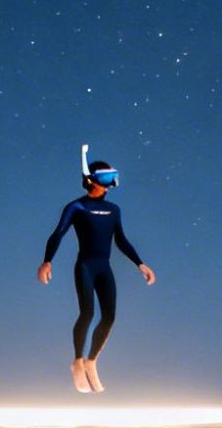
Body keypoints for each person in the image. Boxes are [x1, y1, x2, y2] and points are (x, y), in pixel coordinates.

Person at [38, 146, 157, 392]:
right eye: (106, 176)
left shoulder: (114, 210)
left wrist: (140, 263)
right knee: (87, 313)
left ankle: (92, 361)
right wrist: (47, 260)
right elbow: (58, 233)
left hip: (105, 267)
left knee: (110, 316)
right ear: (92, 180)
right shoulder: (77, 207)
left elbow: (121, 240)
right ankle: (77, 362)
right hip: (86, 266)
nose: (111, 180)